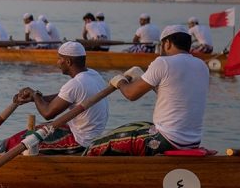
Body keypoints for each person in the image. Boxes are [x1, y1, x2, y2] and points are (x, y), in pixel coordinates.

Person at [86, 25, 209, 156]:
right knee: (135, 125)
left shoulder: (163, 62)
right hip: (193, 142)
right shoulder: (202, 65)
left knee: (96, 144)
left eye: (161, 45)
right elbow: (176, 93)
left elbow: (131, 94)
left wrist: (120, 82)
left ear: (167, 43)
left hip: (166, 140)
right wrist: (142, 78)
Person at [0, 42, 109, 155]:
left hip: (80, 141)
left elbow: (47, 113)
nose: (57, 63)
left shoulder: (76, 84)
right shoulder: (93, 74)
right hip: (84, 132)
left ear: (68, 62)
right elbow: (62, 97)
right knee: (24, 135)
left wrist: (35, 95)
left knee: (20, 144)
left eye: (59, 59)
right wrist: (34, 99)